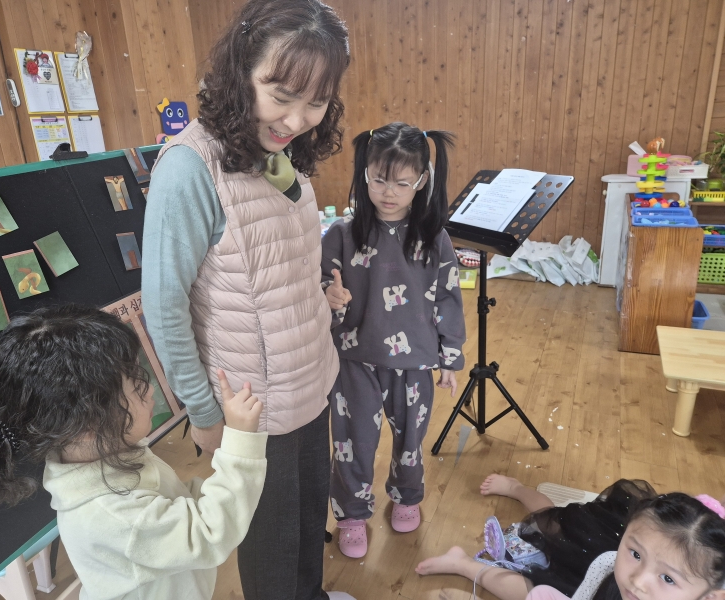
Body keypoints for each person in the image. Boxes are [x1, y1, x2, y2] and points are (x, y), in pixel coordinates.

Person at [141, 1, 354, 598]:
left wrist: (322, 296)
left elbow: (278, 257)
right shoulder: (189, 169)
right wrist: (205, 415)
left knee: (309, 527)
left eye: (317, 102)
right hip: (251, 408)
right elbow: (164, 307)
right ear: (240, 73)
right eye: (281, 95)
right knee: (272, 553)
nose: (297, 119)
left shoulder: (278, 152)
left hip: (309, 381)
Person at [0, 305, 268, 600]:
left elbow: (174, 501)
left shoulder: (99, 455)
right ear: (88, 422)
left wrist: (216, 491)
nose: (149, 389)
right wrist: (240, 444)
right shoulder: (113, 514)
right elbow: (210, 534)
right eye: (135, 386)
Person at [322, 122, 467, 558]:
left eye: (403, 183)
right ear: (364, 173)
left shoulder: (434, 238)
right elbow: (319, 287)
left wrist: (450, 357)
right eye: (380, 179)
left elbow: (448, 296)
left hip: (415, 362)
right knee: (352, 443)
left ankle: (407, 496)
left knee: (410, 441)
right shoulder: (341, 234)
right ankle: (351, 515)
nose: (389, 192)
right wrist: (329, 297)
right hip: (355, 360)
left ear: (421, 181)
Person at [416, 475, 725, 600]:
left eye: (668, 579)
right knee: (554, 525)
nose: (638, 581)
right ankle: (516, 489)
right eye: (634, 554)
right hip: (594, 559)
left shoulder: (701, 579)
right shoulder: (609, 563)